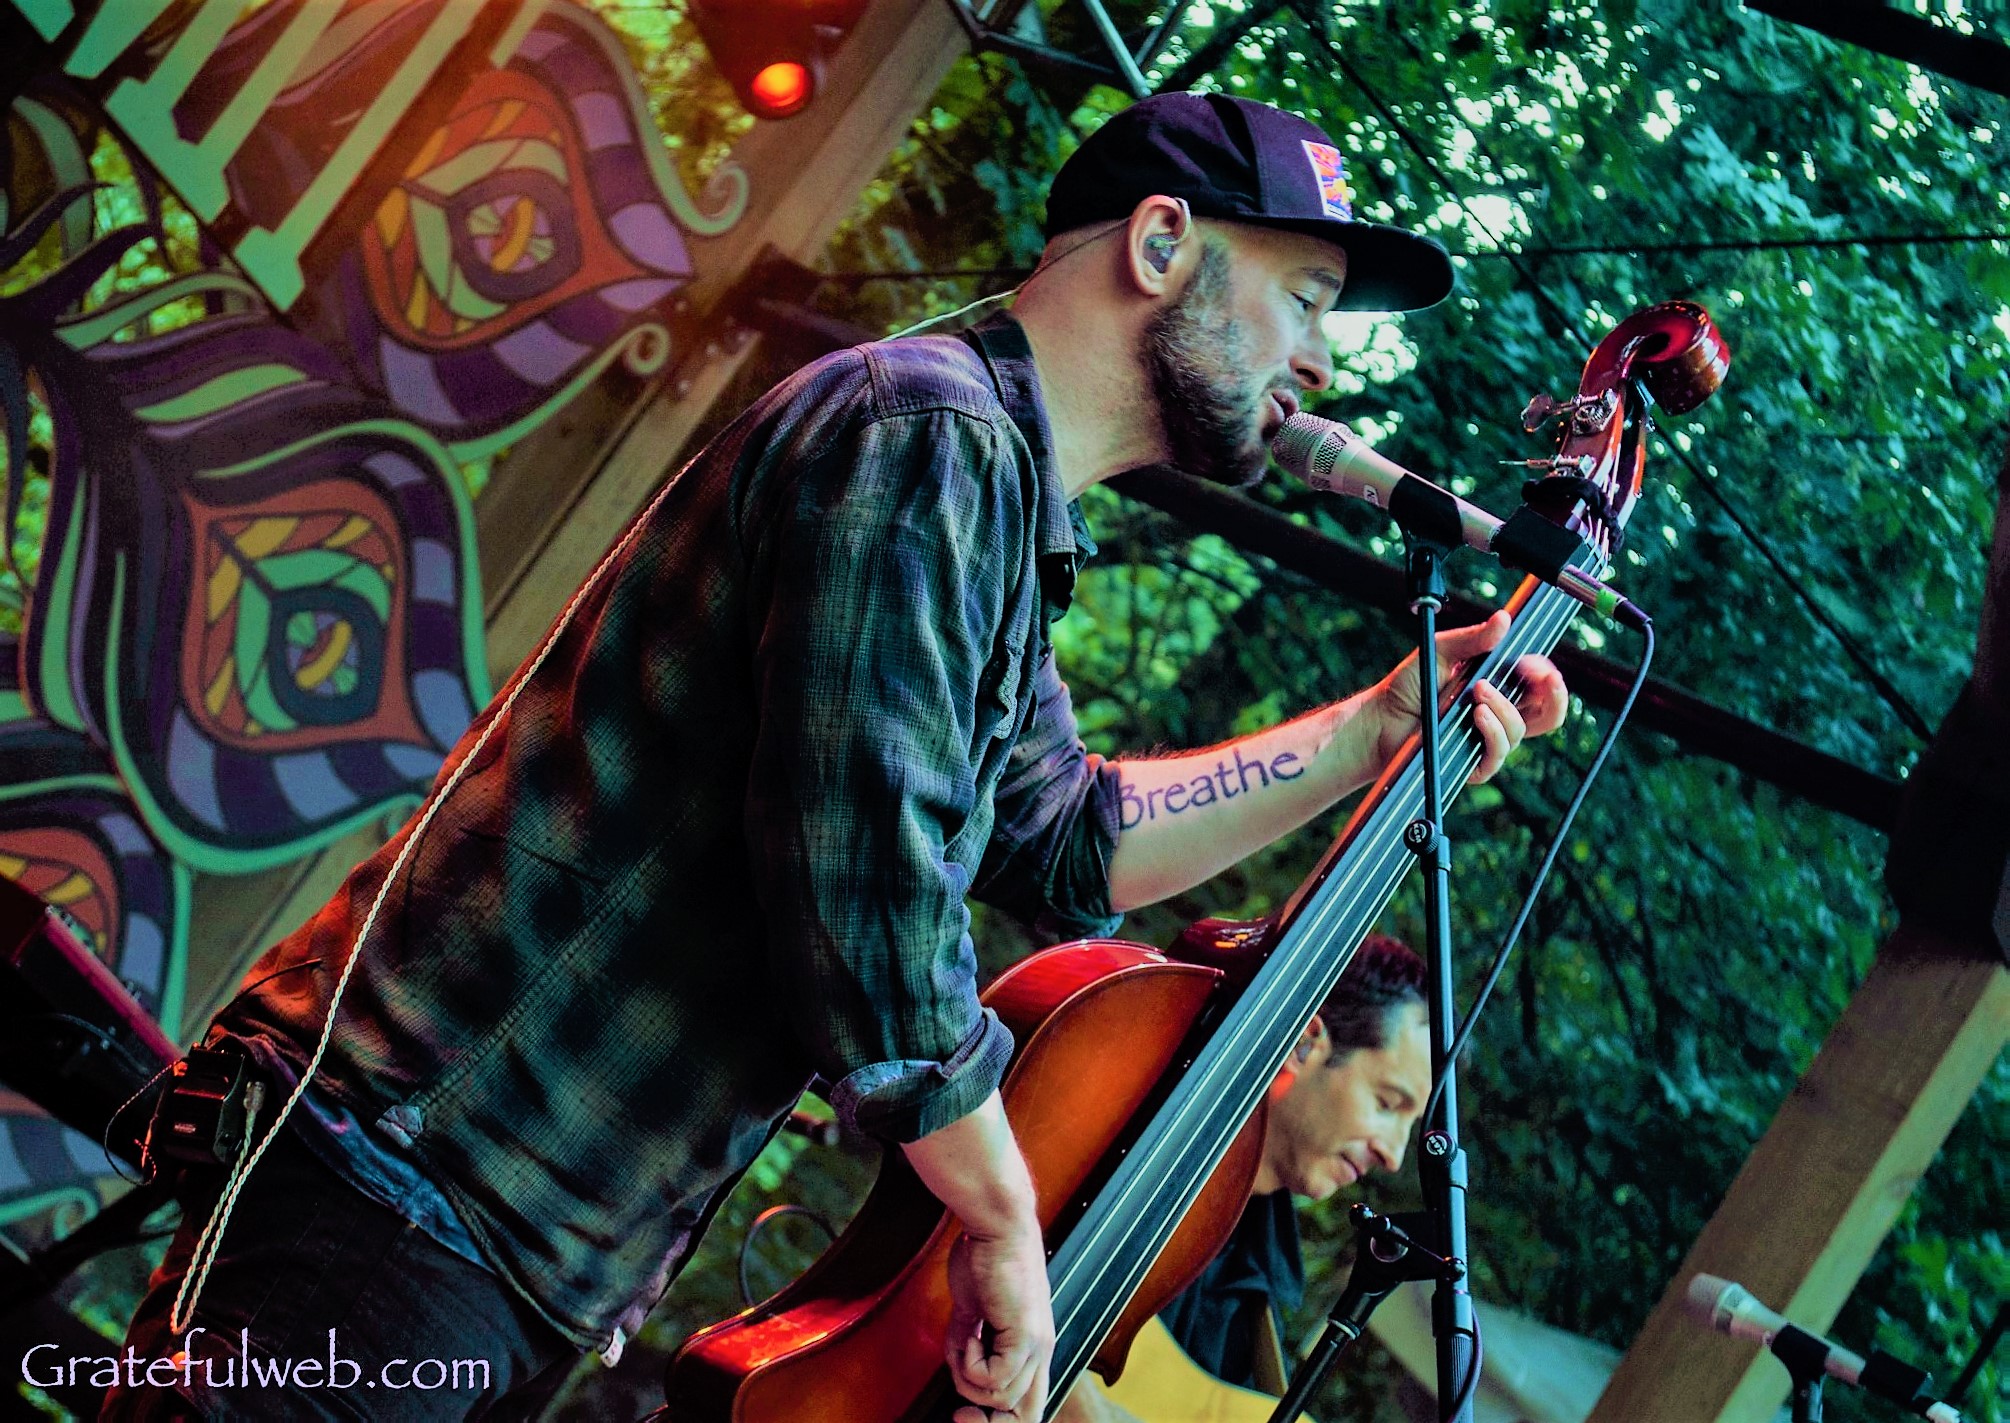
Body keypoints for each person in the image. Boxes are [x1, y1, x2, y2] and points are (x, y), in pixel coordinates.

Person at [108, 92, 1566, 1422]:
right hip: (414, 1177)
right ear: (1163, 242)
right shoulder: (922, 434)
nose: (1322, 355)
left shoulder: (996, 509)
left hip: (496, 1228)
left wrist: (1374, 727)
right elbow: (870, 904)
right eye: (1306, 295)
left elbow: (1070, 841)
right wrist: (1001, 1222)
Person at [1055, 936, 1431, 1423]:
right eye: (1386, 1104)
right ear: (1304, 1045)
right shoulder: (1114, 1134)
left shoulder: (1264, 1293)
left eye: (1411, 1124)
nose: (1393, 1155)